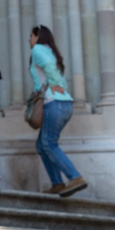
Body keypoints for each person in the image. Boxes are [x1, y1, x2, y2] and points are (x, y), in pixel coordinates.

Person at [28, 25, 86, 196]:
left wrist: (53, 84)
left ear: (38, 36)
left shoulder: (38, 49)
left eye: (31, 36)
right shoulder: (51, 51)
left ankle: (75, 177)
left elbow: (48, 67)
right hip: (64, 105)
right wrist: (57, 85)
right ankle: (57, 183)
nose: (29, 40)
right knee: (42, 145)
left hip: (54, 104)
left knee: (48, 144)